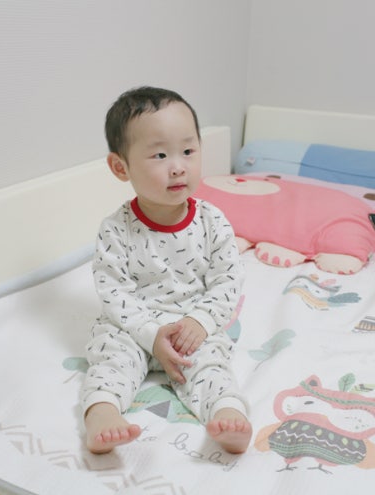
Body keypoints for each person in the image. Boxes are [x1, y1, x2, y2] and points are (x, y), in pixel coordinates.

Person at [80, 86, 251, 455]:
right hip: (133, 328)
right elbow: (115, 293)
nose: (178, 166)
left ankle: (227, 414)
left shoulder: (212, 222)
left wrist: (200, 321)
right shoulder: (115, 229)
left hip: (190, 329)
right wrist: (150, 332)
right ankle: (102, 414)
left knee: (211, 365)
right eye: (160, 155)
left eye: (188, 151)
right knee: (111, 358)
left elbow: (227, 282)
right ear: (120, 167)